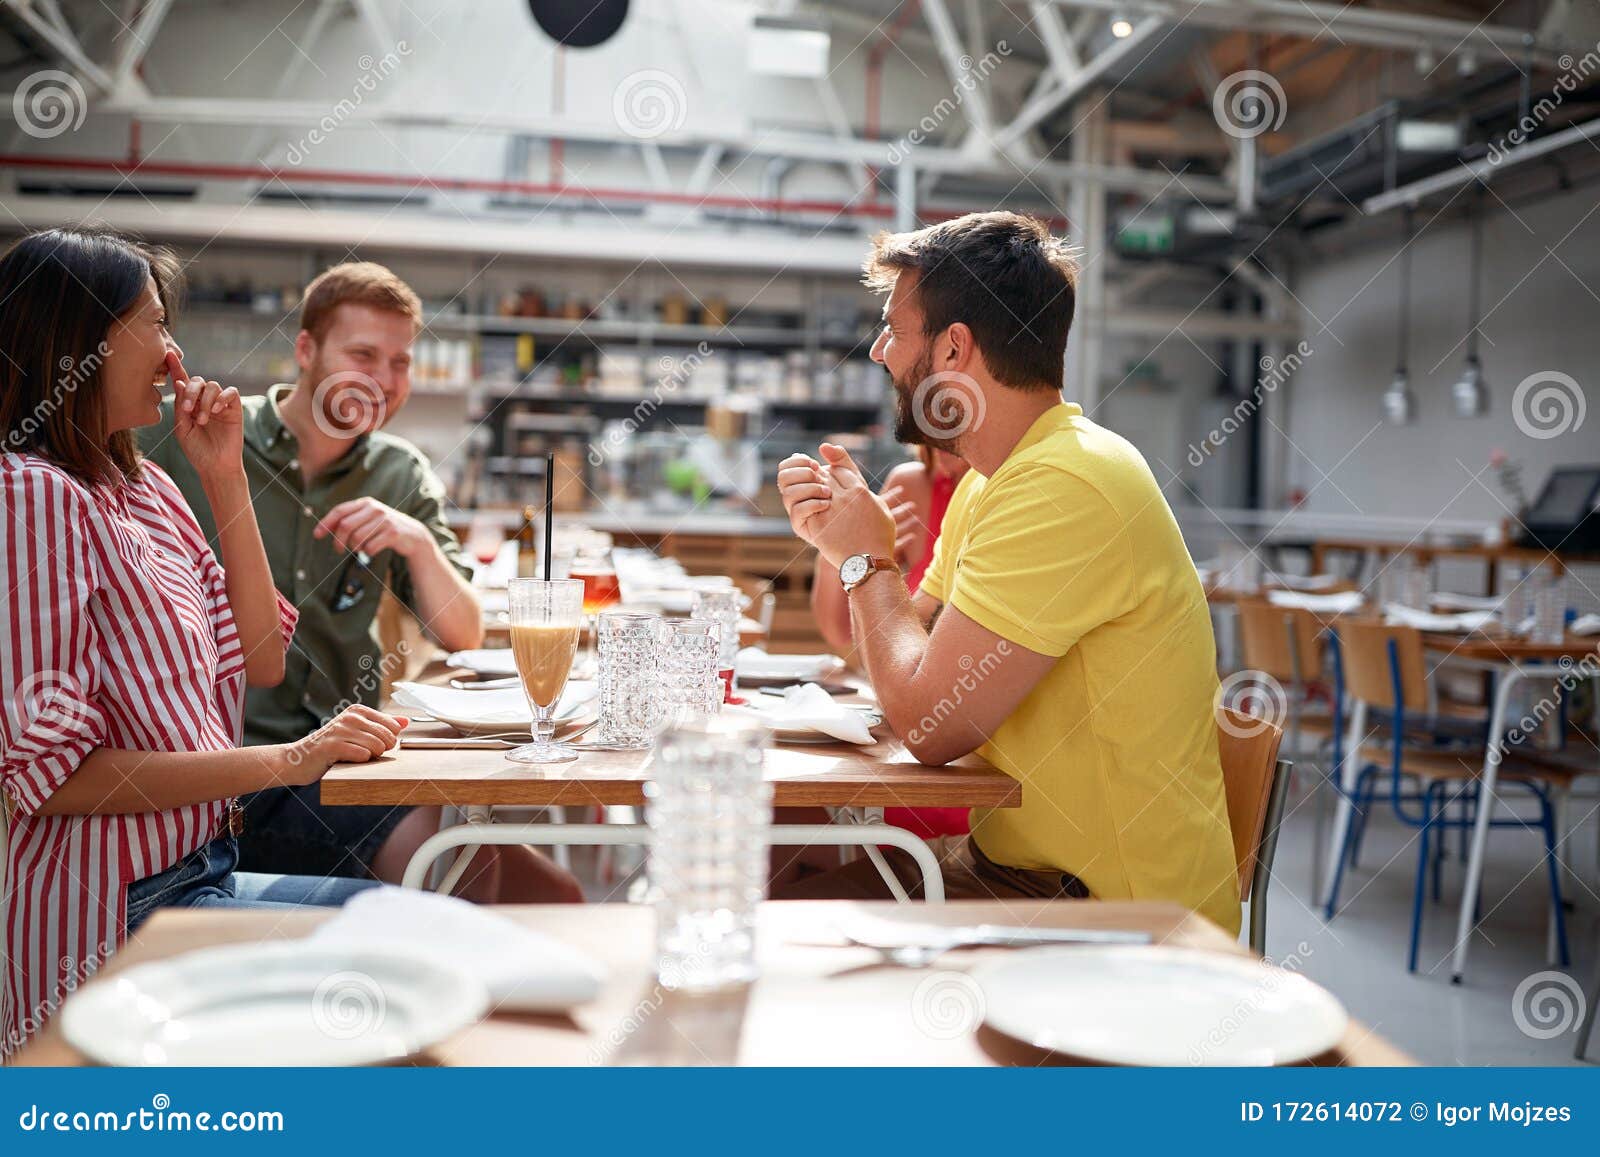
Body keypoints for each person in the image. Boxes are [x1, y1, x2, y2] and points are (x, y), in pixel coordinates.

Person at [0, 228, 408, 1054]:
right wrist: (290, 759)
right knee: (393, 988)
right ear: (82, 338)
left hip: (200, 872)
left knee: (417, 930)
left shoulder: (144, 485)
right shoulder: (31, 495)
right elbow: (53, 779)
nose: (171, 349)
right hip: (116, 909)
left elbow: (258, 656)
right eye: (153, 323)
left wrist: (225, 475)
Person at [775, 211, 1240, 935]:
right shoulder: (995, 480)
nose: (879, 352)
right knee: (778, 876)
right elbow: (907, 649)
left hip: (1116, 917)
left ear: (954, 347)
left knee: (775, 931)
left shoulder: (1066, 483)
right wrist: (847, 548)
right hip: (1012, 870)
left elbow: (926, 720)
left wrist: (867, 561)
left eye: (895, 329)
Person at [141, 262, 581, 903]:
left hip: (347, 765)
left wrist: (416, 540)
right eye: (363, 355)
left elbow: (463, 633)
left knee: (543, 890)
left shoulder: (400, 473)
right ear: (306, 351)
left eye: (400, 362)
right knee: (475, 874)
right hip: (218, 778)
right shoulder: (189, 439)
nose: (383, 380)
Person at [811, 445, 971, 841]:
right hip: (900, 739)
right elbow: (843, 639)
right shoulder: (912, 484)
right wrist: (839, 549)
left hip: (954, 763)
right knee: (785, 813)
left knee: (806, 820)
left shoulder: (998, 492)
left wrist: (867, 563)